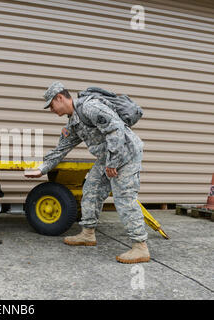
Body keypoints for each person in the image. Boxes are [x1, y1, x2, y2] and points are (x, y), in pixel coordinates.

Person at [24, 81, 150, 264]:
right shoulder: (74, 122)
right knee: (91, 188)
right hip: (108, 158)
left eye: (51, 105)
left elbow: (116, 129)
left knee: (124, 197)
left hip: (126, 154)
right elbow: (62, 148)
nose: (51, 110)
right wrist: (41, 169)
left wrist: (113, 161)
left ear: (60, 97)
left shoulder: (90, 107)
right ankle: (88, 234)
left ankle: (140, 246)